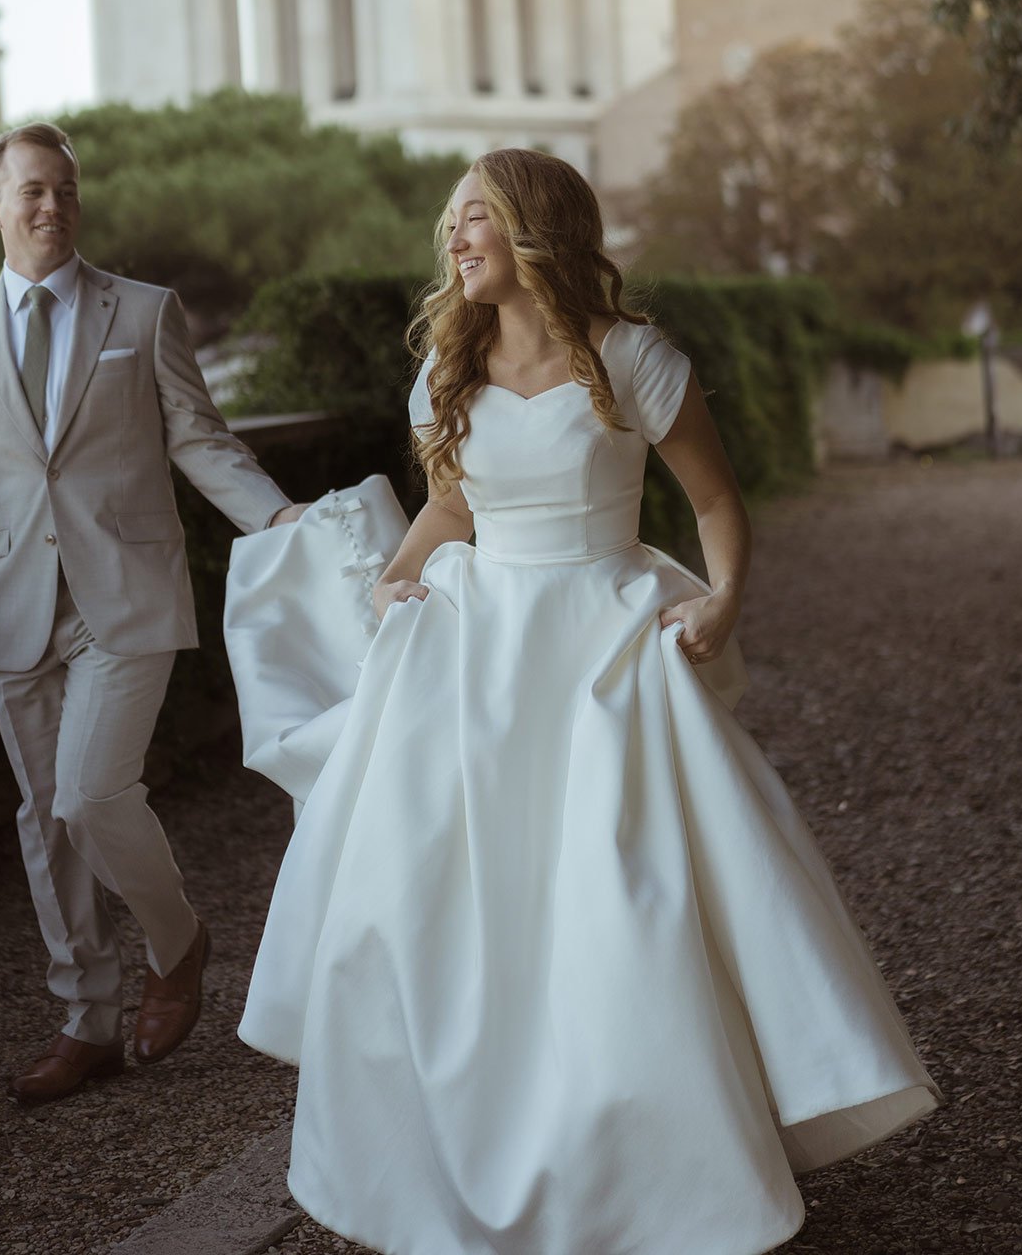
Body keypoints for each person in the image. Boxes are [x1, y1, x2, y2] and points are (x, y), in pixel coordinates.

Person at [233, 147, 940, 1255]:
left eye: (476, 220)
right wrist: (393, 576)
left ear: (534, 231)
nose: (456, 240)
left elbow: (717, 507)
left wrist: (720, 608)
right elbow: (451, 512)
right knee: (446, 906)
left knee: (621, 900)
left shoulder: (636, 360)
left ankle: (650, 1165)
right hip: (475, 654)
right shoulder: (446, 377)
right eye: (452, 224)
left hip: (606, 647)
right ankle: (457, 1154)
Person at [0, 122, 303, 1106]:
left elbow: (200, 437)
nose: (52, 206)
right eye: (32, 192)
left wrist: (277, 515)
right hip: (14, 602)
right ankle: (86, 1021)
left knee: (92, 795)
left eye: (66, 189)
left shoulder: (143, 313)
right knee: (44, 818)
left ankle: (177, 942)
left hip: (128, 594)